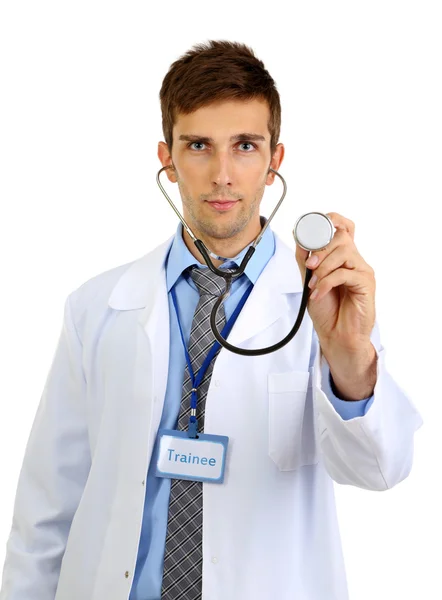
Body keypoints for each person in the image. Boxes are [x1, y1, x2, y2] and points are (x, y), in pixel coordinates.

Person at [0, 40, 423, 600]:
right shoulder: (96, 307)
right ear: (167, 158)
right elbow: (45, 508)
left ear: (275, 161)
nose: (222, 174)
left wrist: (349, 356)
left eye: (244, 146)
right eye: (198, 145)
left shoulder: (326, 303)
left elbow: (380, 469)